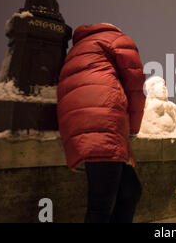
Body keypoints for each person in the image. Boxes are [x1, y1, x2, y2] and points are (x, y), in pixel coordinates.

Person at [57, 23, 146, 223]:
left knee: (130, 191)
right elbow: (135, 85)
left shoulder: (77, 50)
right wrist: (133, 128)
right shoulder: (117, 39)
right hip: (103, 123)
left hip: (78, 125)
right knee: (101, 207)